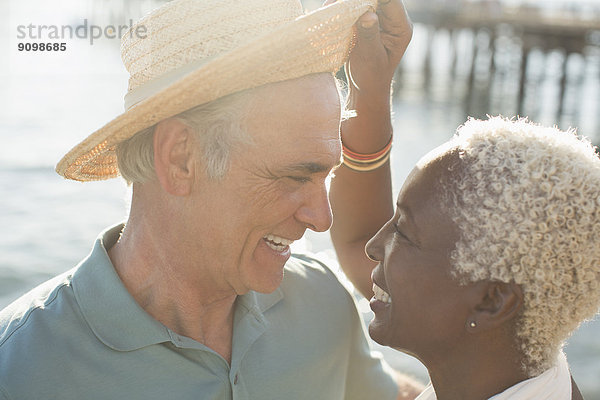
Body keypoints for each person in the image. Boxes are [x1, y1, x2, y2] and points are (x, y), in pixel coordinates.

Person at [0, 0, 423, 399]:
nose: (322, 219)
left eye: (327, 175)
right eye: (296, 176)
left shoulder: (322, 302)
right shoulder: (21, 368)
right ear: (180, 158)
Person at [331, 116, 598, 399]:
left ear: (491, 301)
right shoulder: (536, 374)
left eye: (403, 232)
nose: (373, 246)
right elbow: (356, 239)